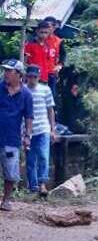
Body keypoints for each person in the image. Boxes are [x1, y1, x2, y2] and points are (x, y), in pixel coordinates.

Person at [0, 60, 33, 211]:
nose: (5, 73)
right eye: (5, 70)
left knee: (11, 172)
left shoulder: (26, 94)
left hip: (11, 138)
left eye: (9, 71)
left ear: (19, 74)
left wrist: (28, 135)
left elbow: (28, 116)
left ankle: (6, 200)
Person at [25, 65, 56, 197]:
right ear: (26, 77)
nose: (32, 79)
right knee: (31, 160)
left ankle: (42, 184)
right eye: (30, 76)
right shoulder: (23, 90)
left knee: (43, 156)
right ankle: (33, 187)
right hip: (28, 130)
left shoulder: (45, 90)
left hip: (43, 127)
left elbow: (50, 110)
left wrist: (52, 129)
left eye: (35, 77)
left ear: (39, 77)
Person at [24, 20, 62, 95]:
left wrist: (58, 67)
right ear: (37, 31)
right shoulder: (29, 44)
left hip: (48, 76)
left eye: (46, 33)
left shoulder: (50, 44)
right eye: (42, 32)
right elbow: (24, 62)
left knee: (49, 99)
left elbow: (56, 57)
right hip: (33, 77)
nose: (44, 35)